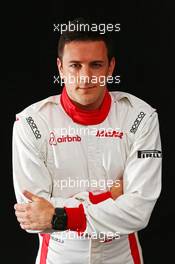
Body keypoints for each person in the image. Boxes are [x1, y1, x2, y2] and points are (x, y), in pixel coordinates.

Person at [13, 18, 162, 264]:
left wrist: (60, 216)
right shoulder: (31, 123)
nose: (86, 77)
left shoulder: (140, 117)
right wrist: (111, 196)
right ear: (60, 68)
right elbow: (32, 218)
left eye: (96, 65)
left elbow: (139, 211)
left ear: (110, 67)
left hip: (122, 257)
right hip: (58, 257)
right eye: (75, 65)